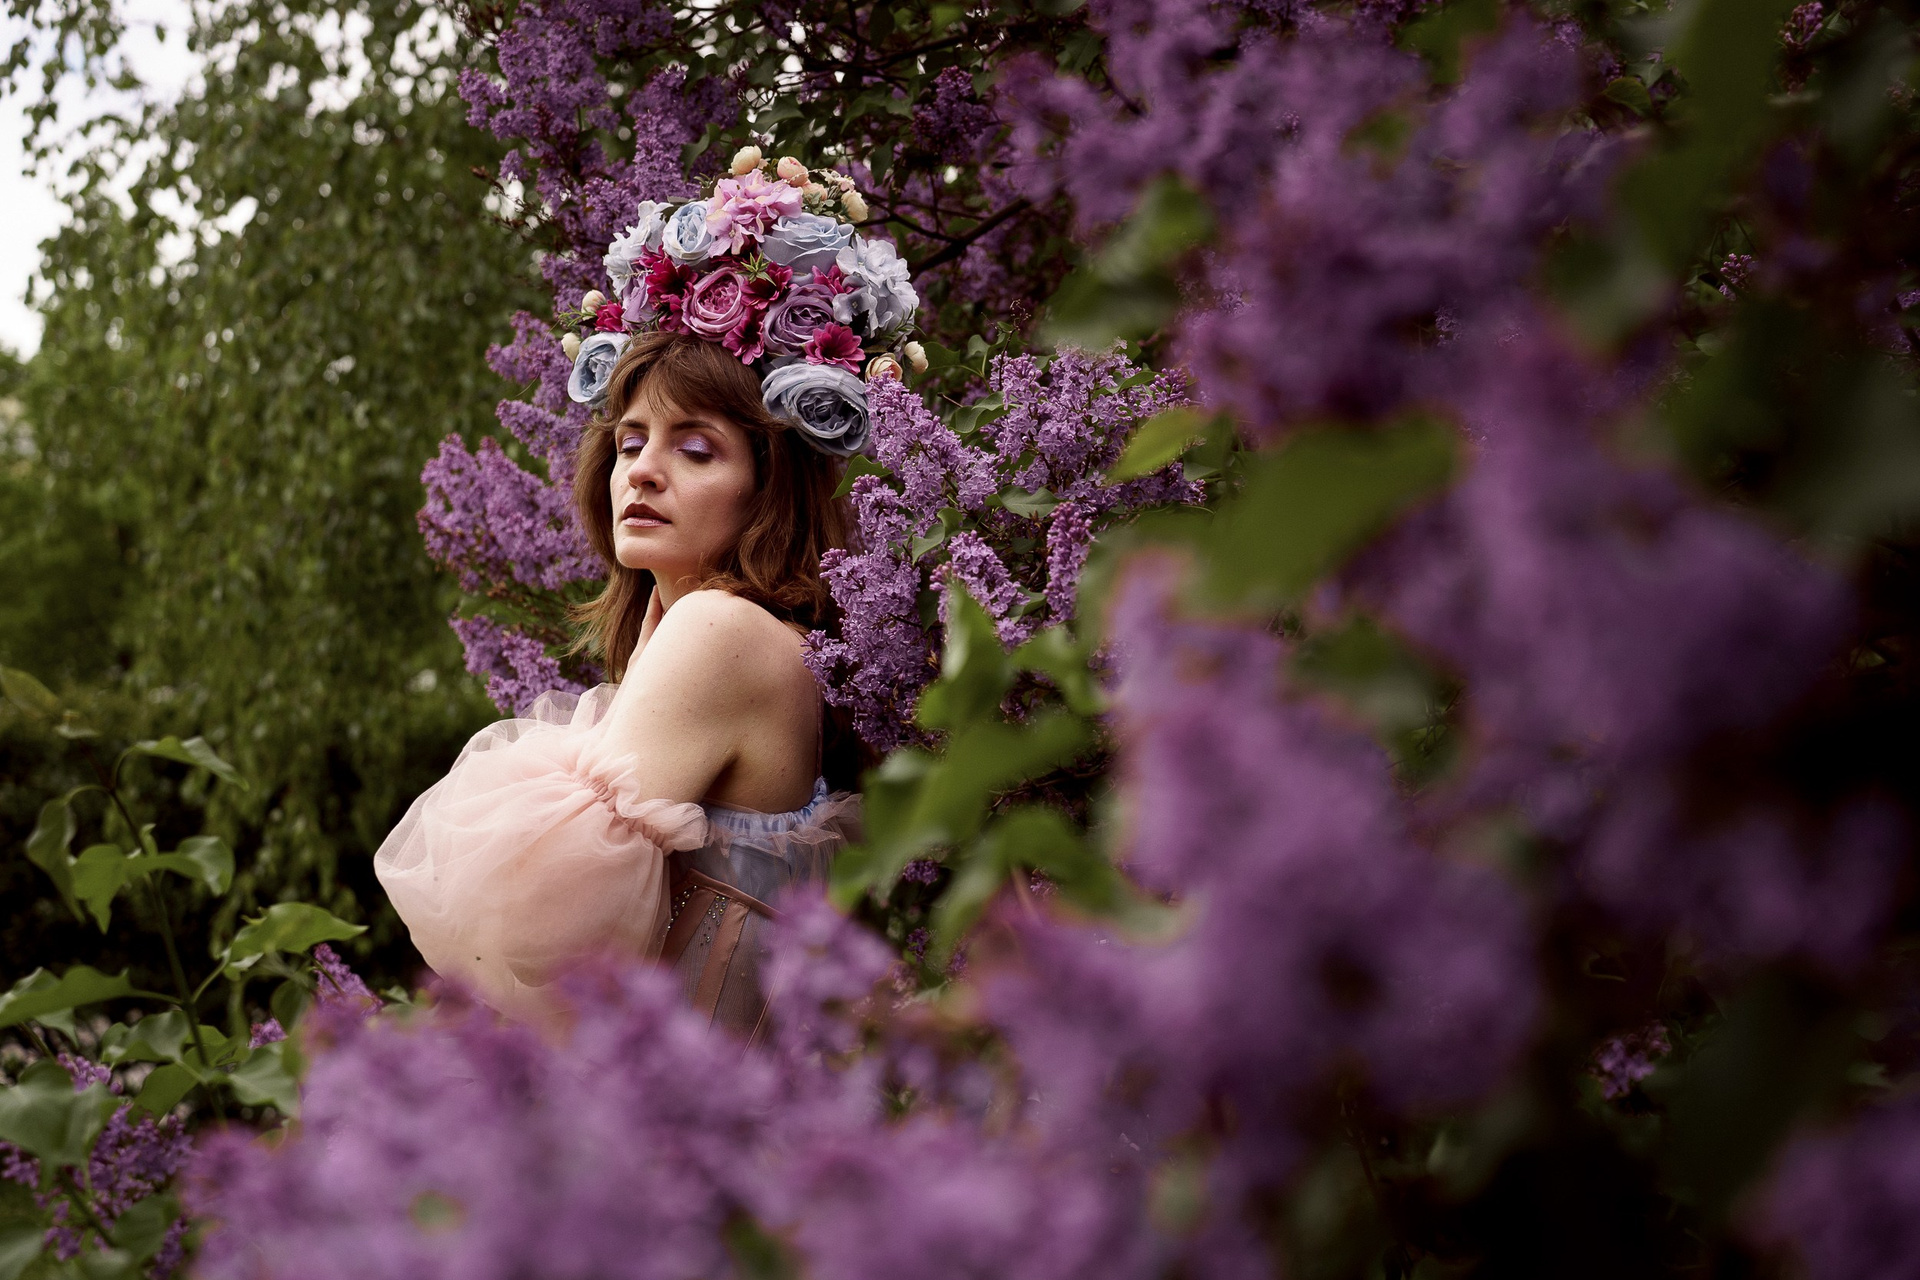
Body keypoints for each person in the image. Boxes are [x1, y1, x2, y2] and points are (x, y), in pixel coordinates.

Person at [375, 331, 864, 1037]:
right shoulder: (762, 635)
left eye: (695, 450)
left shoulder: (721, 628)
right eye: (630, 444)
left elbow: (532, 922)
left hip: (682, 1091)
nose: (643, 472)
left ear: (769, 487)